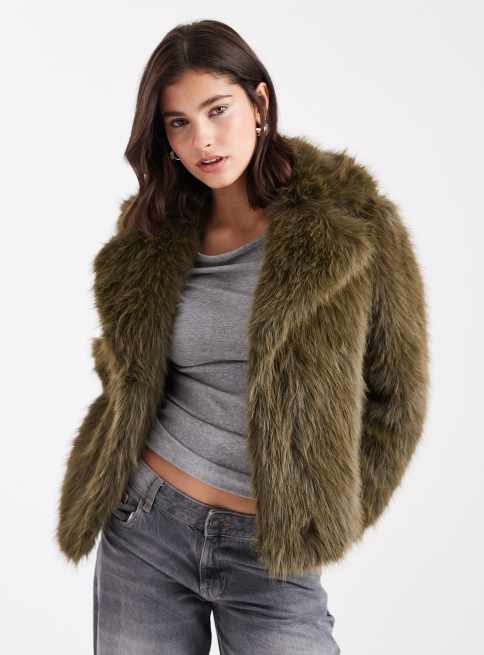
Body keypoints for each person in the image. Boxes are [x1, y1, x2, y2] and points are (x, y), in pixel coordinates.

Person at [55, 19, 430, 655]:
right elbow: (123, 369)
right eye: (178, 123)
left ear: (259, 103)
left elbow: (398, 396)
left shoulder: (354, 224)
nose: (202, 139)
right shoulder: (151, 233)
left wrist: (319, 513)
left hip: (272, 553)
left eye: (217, 110)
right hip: (146, 527)